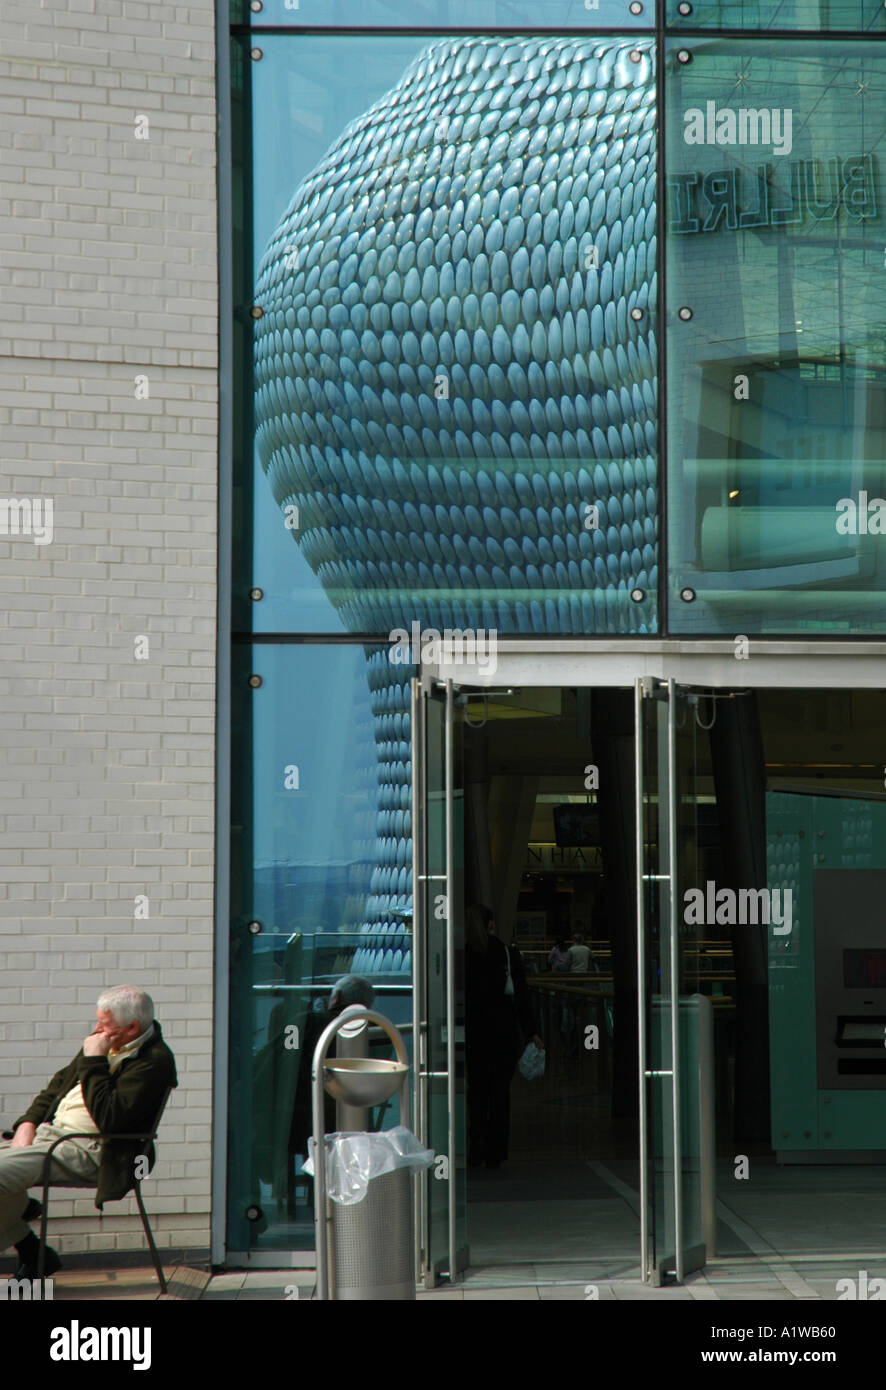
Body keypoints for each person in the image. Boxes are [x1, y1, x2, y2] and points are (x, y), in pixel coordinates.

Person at [0, 985, 177, 1279]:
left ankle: (24, 1225)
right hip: (52, 1137)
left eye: (105, 1025)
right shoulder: (104, 1042)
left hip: (95, 1151)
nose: (97, 1029)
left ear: (132, 1027)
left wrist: (94, 1060)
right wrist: (26, 1124)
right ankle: (33, 1250)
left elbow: (110, 1119)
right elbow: (56, 1087)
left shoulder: (152, 1062)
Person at [465, 904, 543, 1169]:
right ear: (491, 925)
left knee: (476, 1095)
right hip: (503, 1033)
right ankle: (495, 1153)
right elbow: (522, 997)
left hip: (474, 1033)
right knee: (500, 1094)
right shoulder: (506, 954)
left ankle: (474, 1149)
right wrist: (531, 1032)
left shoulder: (464, 956)